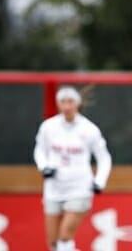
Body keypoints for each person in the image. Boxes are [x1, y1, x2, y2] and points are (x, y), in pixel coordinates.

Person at [34, 86, 112, 251]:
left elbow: (104, 157)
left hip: (79, 187)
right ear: (58, 104)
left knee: (65, 236)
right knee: (53, 242)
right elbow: (39, 149)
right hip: (54, 188)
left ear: (77, 103)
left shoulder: (89, 129)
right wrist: (44, 167)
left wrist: (99, 181)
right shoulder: (48, 127)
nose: (67, 106)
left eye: (70, 102)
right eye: (63, 102)